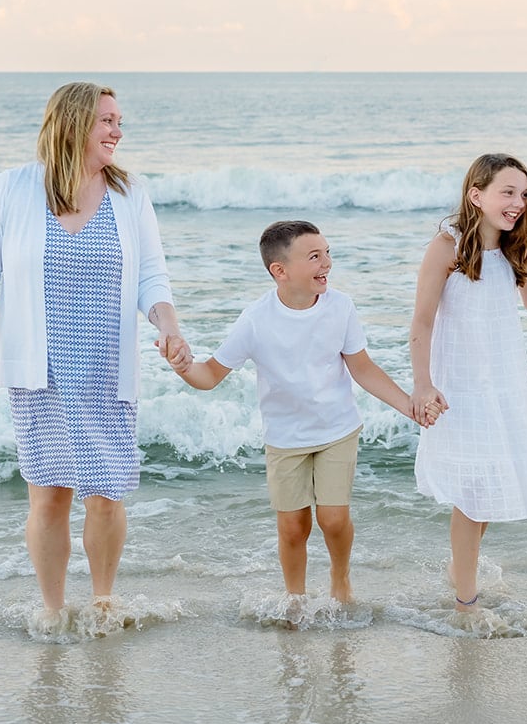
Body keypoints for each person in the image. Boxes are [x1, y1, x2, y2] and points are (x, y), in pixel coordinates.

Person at [0, 82, 189, 628]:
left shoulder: (130, 194)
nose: (118, 131)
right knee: (50, 496)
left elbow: (152, 276)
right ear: (75, 123)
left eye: (119, 121)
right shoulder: (11, 189)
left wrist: (169, 327)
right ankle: (53, 611)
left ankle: (103, 605)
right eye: (107, 121)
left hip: (106, 370)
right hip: (40, 372)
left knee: (106, 493)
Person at [169, 220, 423, 605]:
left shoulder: (340, 307)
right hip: (285, 437)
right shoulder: (256, 320)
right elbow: (210, 376)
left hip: (337, 428)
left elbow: (363, 368)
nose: (327, 263)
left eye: (327, 253)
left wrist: (408, 405)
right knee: (292, 526)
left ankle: (340, 577)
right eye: (315, 256)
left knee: (333, 519)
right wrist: (184, 366)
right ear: (280, 270)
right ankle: (296, 599)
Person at [410, 154, 527, 613]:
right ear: (476, 195)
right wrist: (423, 385)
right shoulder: (446, 247)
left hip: (503, 383)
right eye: (507, 192)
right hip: (459, 387)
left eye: (524, 194)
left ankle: (459, 570)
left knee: (487, 490)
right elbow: (422, 320)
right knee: (472, 494)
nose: (518, 203)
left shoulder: (514, 246)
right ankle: (465, 602)